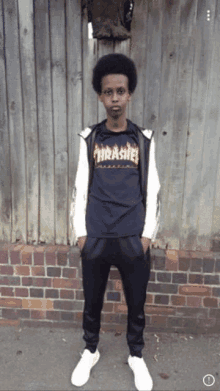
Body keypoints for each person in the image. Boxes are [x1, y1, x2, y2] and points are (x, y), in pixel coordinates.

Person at [70, 53, 160, 391]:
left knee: (136, 303)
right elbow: (80, 188)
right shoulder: (90, 138)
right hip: (96, 236)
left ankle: (136, 356)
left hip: (132, 238)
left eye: (121, 91)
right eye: (108, 92)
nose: (115, 99)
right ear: (100, 96)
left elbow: (154, 188)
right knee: (91, 301)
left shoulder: (143, 139)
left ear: (130, 93)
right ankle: (90, 349)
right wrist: (81, 234)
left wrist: (147, 235)